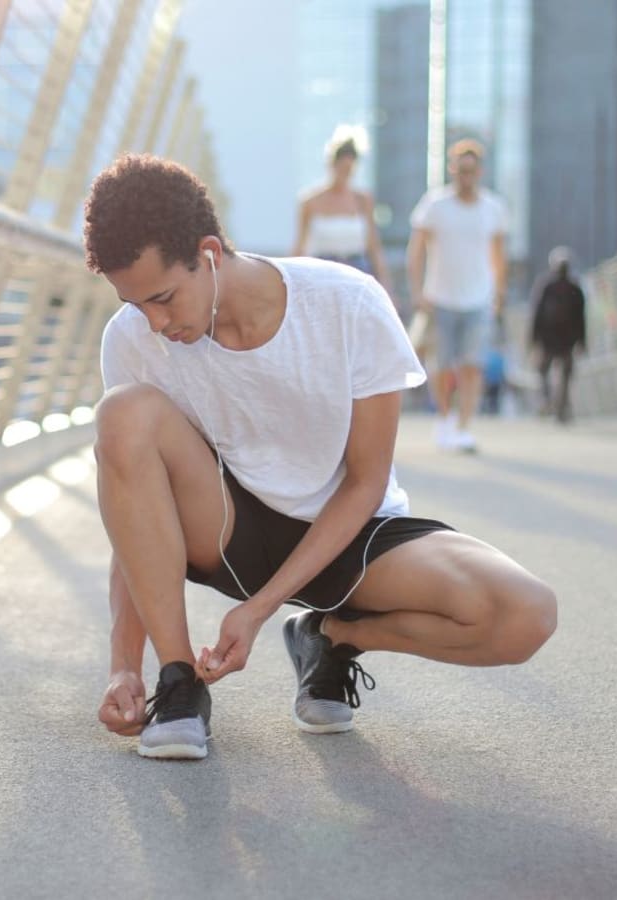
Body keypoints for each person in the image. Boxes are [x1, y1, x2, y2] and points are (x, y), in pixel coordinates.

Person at [86, 154, 556, 761]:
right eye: (135, 304)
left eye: (164, 298)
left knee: (525, 614)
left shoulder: (348, 304)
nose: (153, 322)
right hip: (228, 528)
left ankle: (332, 637)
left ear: (208, 253)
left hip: (352, 531)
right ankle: (177, 686)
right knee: (121, 414)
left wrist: (260, 612)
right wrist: (123, 666)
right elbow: (131, 507)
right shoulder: (132, 338)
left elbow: (365, 483)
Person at [406, 139, 508, 452]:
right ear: (452, 169)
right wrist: (417, 290)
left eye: (471, 170)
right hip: (440, 298)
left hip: (478, 299)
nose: (466, 175)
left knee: (472, 365)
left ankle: (464, 426)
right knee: (441, 365)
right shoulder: (434, 205)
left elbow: (498, 255)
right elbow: (417, 250)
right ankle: (444, 419)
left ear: (480, 171)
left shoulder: (493, 208)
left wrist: (499, 293)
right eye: (460, 170)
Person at [293, 125, 391, 294]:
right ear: (331, 164)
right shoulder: (310, 201)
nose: (345, 174)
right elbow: (299, 246)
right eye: (341, 168)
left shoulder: (363, 200)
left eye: (349, 170)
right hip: (321, 275)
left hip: (357, 273)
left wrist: (386, 286)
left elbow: (374, 246)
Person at [529, 246, 586, 423]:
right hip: (563, 339)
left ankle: (554, 403)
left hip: (553, 339)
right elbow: (581, 318)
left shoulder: (548, 285)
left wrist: (533, 338)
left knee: (547, 371)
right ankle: (558, 405)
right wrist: (583, 340)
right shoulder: (574, 287)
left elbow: (536, 314)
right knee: (561, 373)